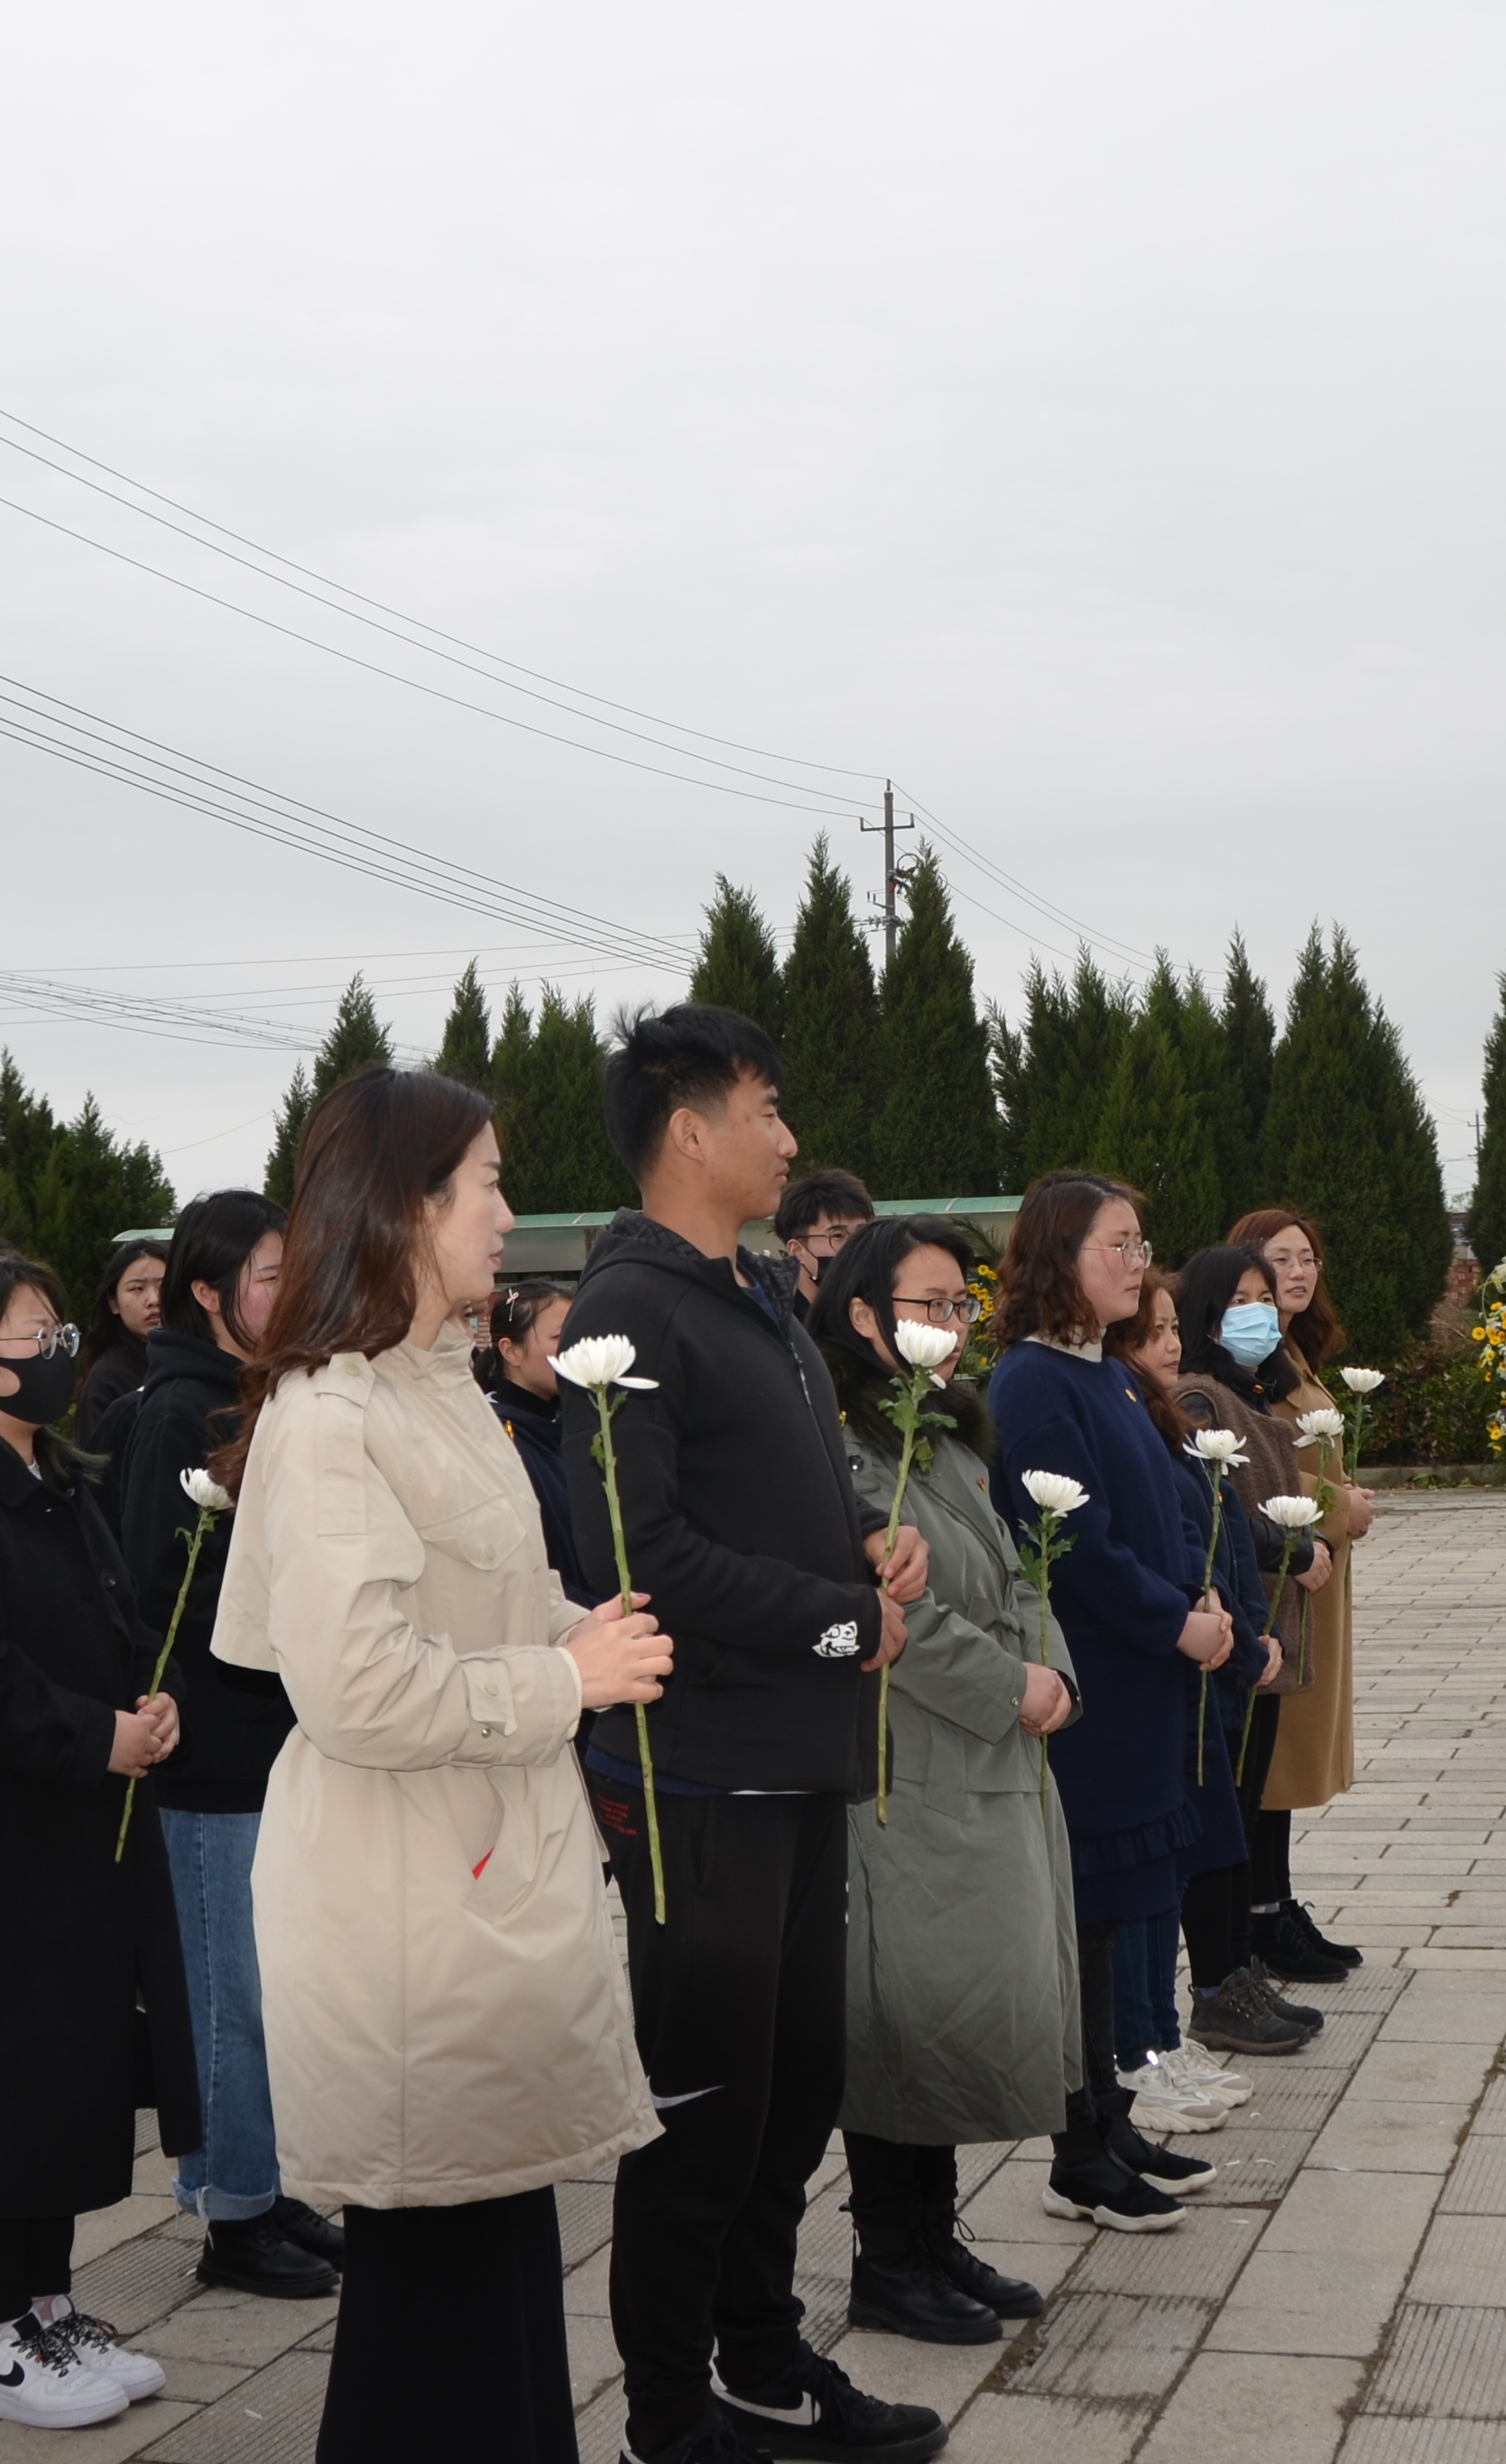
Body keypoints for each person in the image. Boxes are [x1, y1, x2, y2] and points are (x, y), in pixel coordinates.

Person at [209, 1068, 670, 2463]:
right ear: (407, 1208)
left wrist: (570, 1625)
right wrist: (565, 1680)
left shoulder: (437, 1386)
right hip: (409, 1895)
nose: (506, 1214)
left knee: (494, 2250)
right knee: (434, 2287)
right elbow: (351, 1683)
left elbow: (470, 1600)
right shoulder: (333, 1415)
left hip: (477, 1866)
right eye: (485, 1184)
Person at [562, 1007, 943, 2464]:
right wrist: (840, 1620)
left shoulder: (758, 1297)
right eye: (766, 1110)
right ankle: (665, 2417)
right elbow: (636, 1549)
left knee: (790, 2103)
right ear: (688, 1129)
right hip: (701, 1778)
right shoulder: (627, 1313)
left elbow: (769, 1498)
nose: (788, 1139)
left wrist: (865, 1543)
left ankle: (766, 2366)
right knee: (705, 2113)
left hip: (794, 1762)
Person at [0, 1250, 189, 2431]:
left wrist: (151, 1701)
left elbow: (112, 1612)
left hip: (83, 1827)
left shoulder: (50, 1469)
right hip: (5, 1836)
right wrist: (96, 1735)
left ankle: (51, 2306)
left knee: (69, 2075)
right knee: (3, 2084)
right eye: (33, 1336)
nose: (59, 1353)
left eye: (62, 1331)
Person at [809, 1219, 1073, 2348]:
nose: (951, 1325)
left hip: (990, 1758)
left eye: (962, 1304)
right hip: (905, 1768)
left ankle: (932, 2234)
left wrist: (1053, 1673)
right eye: (927, 1304)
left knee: (958, 2003)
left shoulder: (950, 1432)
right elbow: (891, 1614)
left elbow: (1015, 1576)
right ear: (863, 1316)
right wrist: (1009, 1686)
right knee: (906, 2015)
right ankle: (888, 2258)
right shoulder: (843, 1447)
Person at [986, 1175, 1228, 2229]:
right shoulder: (1032, 1384)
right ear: (1058, 1257)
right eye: (1116, 1245)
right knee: (1081, 1922)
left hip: (1143, 1682)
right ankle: (1074, 2151)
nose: (1139, 1263)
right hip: (1094, 1688)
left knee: (1110, 1918)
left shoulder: (1107, 1376)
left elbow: (1157, 1514)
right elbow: (1076, 1550)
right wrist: (1172, 1621)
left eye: (1140, 1243)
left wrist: (1196, 1597)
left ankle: (1108, 2119)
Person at [115, 1189, 335, 2296]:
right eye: (267, 1275)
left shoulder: (264, 1393)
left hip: (275, 1741)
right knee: (226, 1993)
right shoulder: (177, 1414)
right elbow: (163, 1591)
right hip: (211, 1751)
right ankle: (232, 2216)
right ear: (207, 1292)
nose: (287, 1292)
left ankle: (259, 2181)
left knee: (276, 1987)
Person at [1160, 1250, 1317, 2063]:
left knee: (1243, 1812)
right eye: (1239, 1301)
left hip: (1259, 1625)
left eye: (1266, 1296)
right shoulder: (1198, 1398)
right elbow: (1221, 1519)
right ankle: (1220, 1980)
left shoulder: (1249, 1390)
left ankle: (1240, 1969)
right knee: (1225, 1818)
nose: (1260, 1312)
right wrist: (1295, 1547)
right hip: (1230, 1634)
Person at [1223, 1206, 1371, 1985]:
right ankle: (1259, 1915)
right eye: (1281, 1258)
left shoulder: (1292, 1353)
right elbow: (1252, 1468)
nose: (1299, 1271)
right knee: (1270, 1757)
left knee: (1285, 1753)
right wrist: (1338, 1505)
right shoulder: (1243, 1364)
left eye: (1308, 1257)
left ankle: (1276, 1903)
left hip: (1313, 1566)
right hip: (1281, 1567)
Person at [472, 1279, 596, 1608]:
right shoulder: (496, 1440)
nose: (576, 1348)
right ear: (511, 1351)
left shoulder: (582, 1424)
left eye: (579, 1334)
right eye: (560, 1337)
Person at [75, 1236, 169, 1448]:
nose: (154, 1299)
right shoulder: (106, 1380)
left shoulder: (198, 1358)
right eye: (137, 1289)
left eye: (164, 1286)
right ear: (113, 1303)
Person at [771, 1167, 873, 1309]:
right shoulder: (774, 1315)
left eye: (861, 1233)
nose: (854, 1246)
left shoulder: (874, 1309)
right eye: (838, 1236)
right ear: (797, 1250)